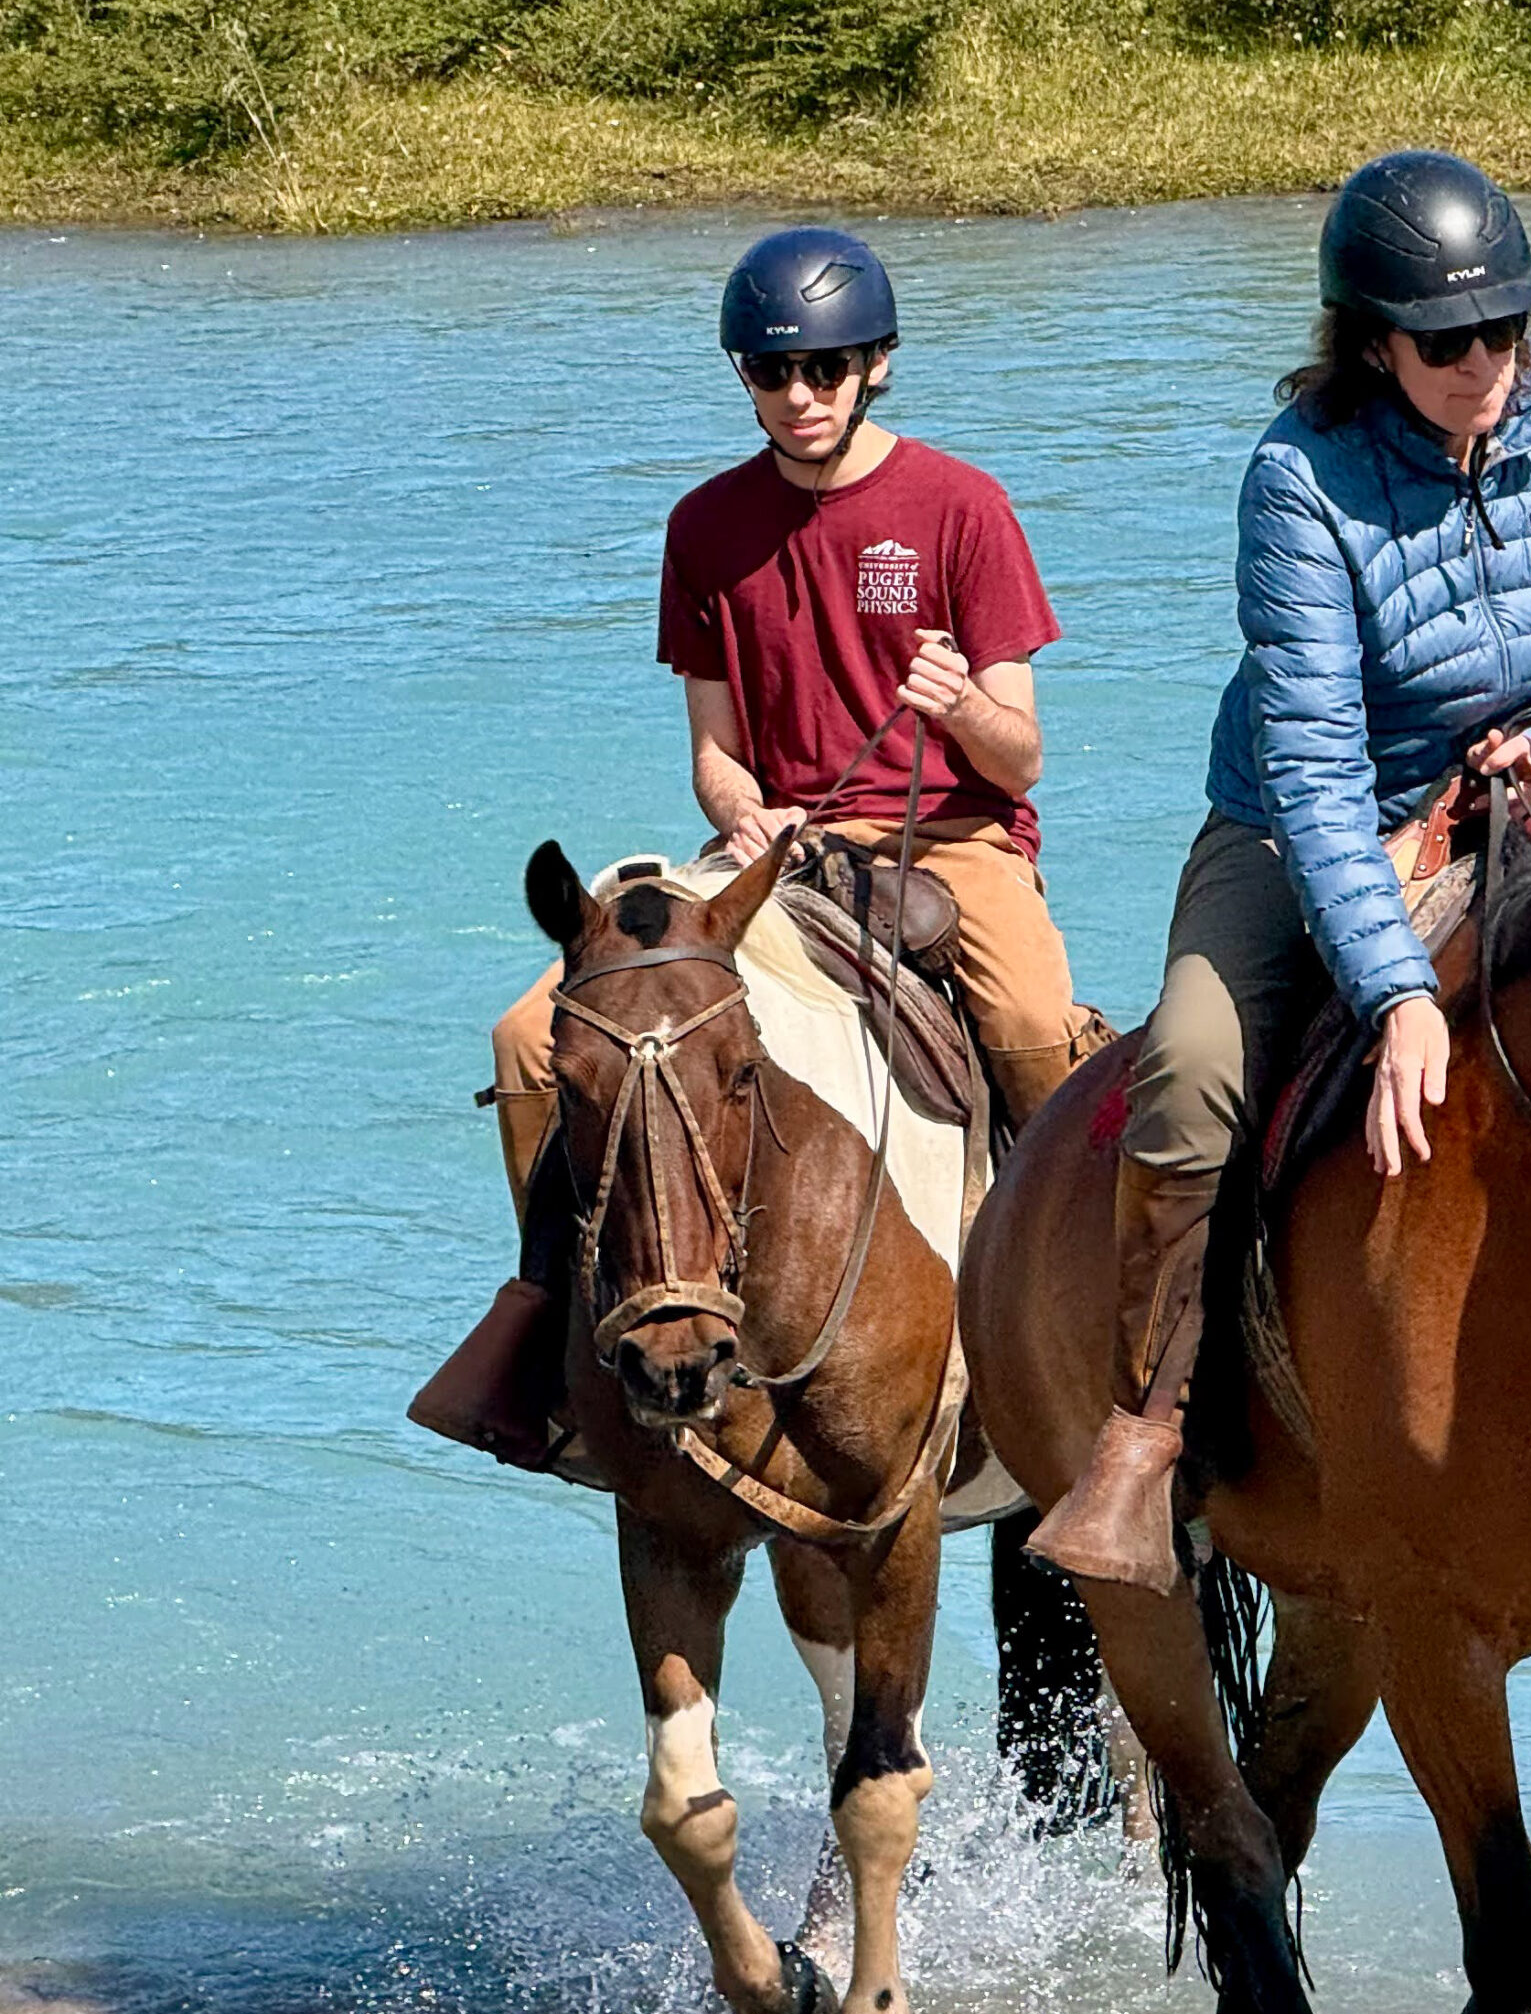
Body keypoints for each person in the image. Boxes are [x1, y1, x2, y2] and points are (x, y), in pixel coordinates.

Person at [1028, 149, 1531, 1588]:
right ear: (1372, 341)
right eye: (1445, 341)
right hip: (1306, 818)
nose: (1483, 364)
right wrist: (1395, 994)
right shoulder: (1297, 481)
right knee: (1194, 1067)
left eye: (1504, 329)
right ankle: (1153, 1438)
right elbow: (1313, 764)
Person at [412, 226, 1093, 1470]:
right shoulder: (707, 526)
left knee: (1038, 1029)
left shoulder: (962, 507)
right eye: (772, 374)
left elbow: (1023, 758)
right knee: (527, 1036)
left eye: (827, 369)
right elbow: (715, 746)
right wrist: (743, 815)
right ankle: (557, 1327)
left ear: (877, 363)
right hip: (770, 848)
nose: (800, 395)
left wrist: (956, 705)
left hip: (949, 844)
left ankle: (1090, 1329)